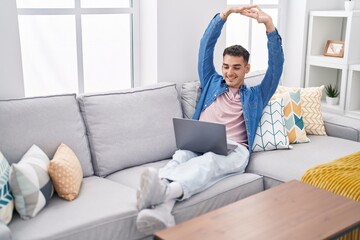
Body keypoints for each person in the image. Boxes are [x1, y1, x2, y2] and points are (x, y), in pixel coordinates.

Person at [136, 5, 284, 235]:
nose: (229, 72)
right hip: (199, 142)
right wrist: (224, 15)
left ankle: (161, 191)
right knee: (181, 157)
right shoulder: (211, 82)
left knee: (206, 164)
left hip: (235, 150)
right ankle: (162, 209)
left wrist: (269, 26)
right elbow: (206, 47)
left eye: (236, 67)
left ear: (247, 68)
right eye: (226, 66)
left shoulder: (256, 95)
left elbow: (276, 68)